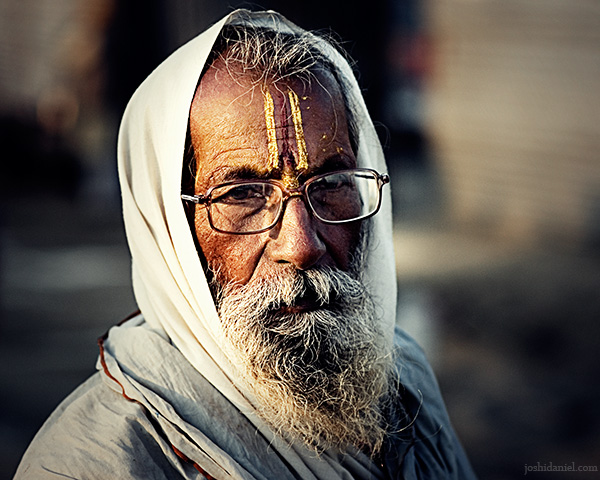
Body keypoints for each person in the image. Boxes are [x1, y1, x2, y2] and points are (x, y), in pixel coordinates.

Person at [15, 10, 476, 480]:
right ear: (172, 228)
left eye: (331, 182)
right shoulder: (98, 462)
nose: (300, 245)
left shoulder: (404, 385)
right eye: (242, 194)